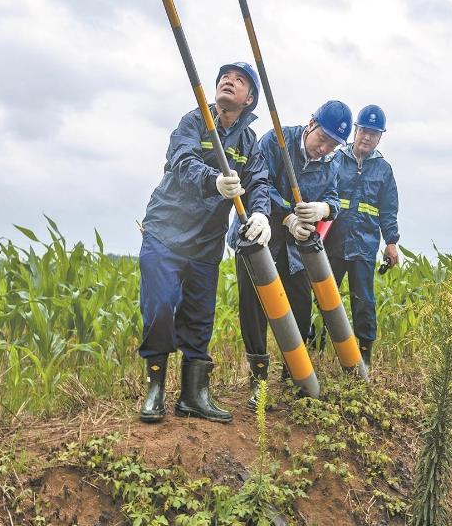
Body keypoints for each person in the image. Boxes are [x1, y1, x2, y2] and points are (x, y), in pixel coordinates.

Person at [137, 62, 272, 424]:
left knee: (199, 319)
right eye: (224, 77)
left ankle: (194, 396)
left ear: (250, 99)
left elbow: (259, 183)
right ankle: (155, 390)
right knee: (161, 307)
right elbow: (181, 162)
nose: (229, 80)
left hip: (206, 243)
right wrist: (214, 180)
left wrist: (260, 214)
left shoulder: (248, 142)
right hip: (166, 232)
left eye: (239, 80)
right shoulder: (194, 122)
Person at [230, 100, 352, 409]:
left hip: (296, 250)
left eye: (333, 145)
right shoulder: (276, 141)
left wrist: (324, 209)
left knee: (299, 305)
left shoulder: (332, 162)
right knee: (254, 307)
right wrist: (287, 216)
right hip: (260, 235)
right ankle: (258, 379)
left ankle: (292, 375)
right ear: (311, 123)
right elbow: (259, 184)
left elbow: (334, 199)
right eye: (322, 138)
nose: (324, 148)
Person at [323, 104, 399, 367]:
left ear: (380, 138)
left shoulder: (384, 170)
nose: (367, 137)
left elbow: (388, 210)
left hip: (364, 248)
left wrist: (391, 243)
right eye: (364, 130)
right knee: (323, 297)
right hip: (330, 244)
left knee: (364, 302)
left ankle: (364, 355)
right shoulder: (335, 159)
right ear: (355, 130)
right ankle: (316, 349)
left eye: (374, 133)